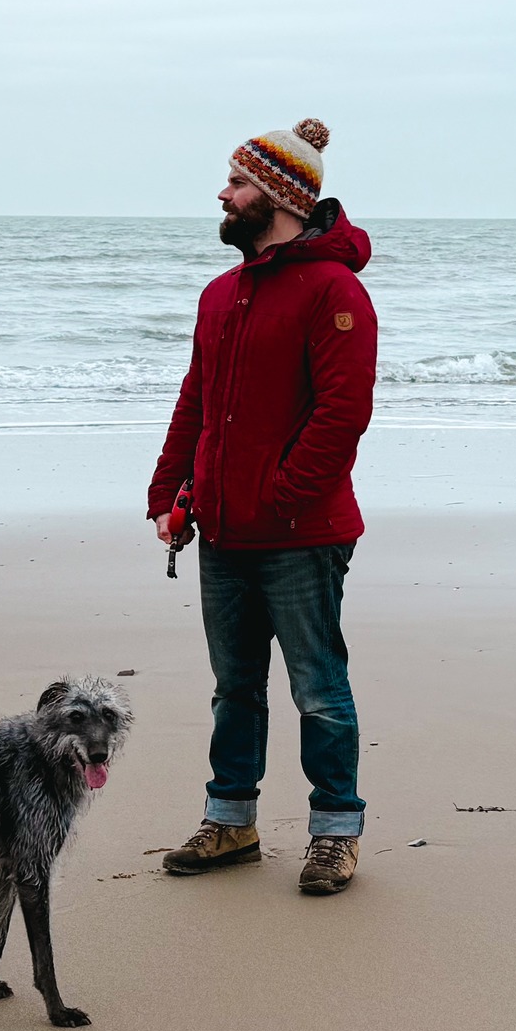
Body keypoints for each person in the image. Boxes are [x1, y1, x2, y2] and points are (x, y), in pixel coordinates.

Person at [146, 118, 377, 895]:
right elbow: (197, 401)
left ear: (279, 196)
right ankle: (232, 821)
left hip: (301, 533)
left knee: (318, 689)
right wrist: (171, 490)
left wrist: (279, 497)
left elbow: (342, 415)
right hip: (223, 529)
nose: (223, 192)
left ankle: (335, 832)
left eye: (238, 182)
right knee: (233, 688)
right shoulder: (221, 294)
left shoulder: (336, 291)